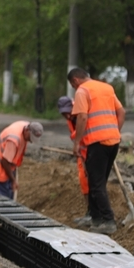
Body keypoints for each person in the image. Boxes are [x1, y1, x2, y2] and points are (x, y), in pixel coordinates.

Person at [67, 68, 126, 235]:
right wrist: (115, 131)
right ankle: (95, 218)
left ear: (75, 81)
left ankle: (108, 221)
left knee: (96, 184)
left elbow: (82, 117)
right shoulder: (106, 87)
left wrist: (77, 142)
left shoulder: (82, 91)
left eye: (72, 85)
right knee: (97, 182)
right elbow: (122, 112)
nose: (73, 88)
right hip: (113, 141)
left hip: (97, 143)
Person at [0, 121, 44, 199]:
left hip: (7, 161)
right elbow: (5, 161)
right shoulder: (13, 140)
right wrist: (13, 180)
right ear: (27, 130)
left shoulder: (25, 125)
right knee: (4, 198)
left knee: (10, 193)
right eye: (30, 137)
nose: (30, 141)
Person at [58, 96, 91, 227]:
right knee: (84, 182)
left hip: (91, 153)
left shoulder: (81, 115)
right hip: (81, 155)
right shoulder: (69, 120)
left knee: (94, 182)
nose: (66, 115)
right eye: (63, 113)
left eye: (68, 111)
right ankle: (90, 212)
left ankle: (97, 214)